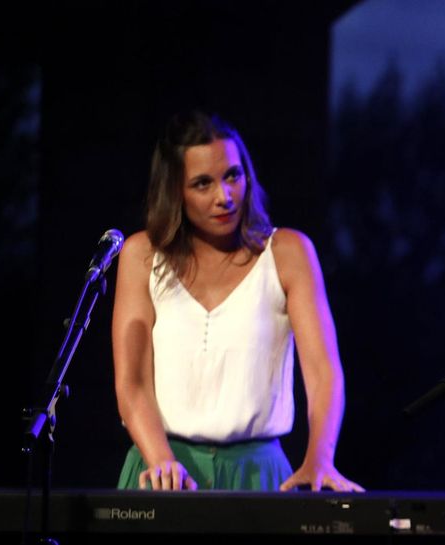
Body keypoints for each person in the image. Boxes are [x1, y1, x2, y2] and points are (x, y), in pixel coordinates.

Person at [111, 111, 363, 492]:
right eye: (202, 183)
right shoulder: (141, 255)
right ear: (174, 191)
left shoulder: (288, 252)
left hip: (256, 476)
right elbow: (132, 382)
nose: (224, 196)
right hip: (162, 471)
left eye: (233, 175)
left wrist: (320, 458)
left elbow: (323, 372)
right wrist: (161, 459)